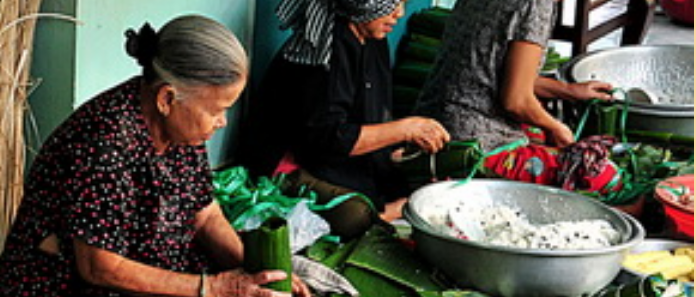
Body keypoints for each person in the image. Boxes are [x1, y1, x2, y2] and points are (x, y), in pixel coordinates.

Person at [0, 15, 313, 297]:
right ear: (167, 98)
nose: (222, 122)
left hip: (143, 255)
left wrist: (258, 272)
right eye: (217, 110)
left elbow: (205, 216)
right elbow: (100, 267)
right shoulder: (104, 143)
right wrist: (214, 290)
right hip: (64, 284)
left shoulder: (181, 130)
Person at [241, 0, 450, 237]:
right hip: (292, 163)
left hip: (333, 156)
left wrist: (399, 154)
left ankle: (387, 210)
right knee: (356, 215)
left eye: (403, 3)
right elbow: (330, 140)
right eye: (393, 3)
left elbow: (367, 120)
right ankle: (384, 215)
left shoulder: (373, 40)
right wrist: (407, 129)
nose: (399, 14)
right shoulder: (325, 52)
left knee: (416, 184)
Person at [414, 0, 617, 191]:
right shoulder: (535, 5)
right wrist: (556, 127)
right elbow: (516, 101)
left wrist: (568, 90)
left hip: (434, 120)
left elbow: (494, 72)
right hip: (467, 144)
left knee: (545, 135)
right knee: (601, 176)